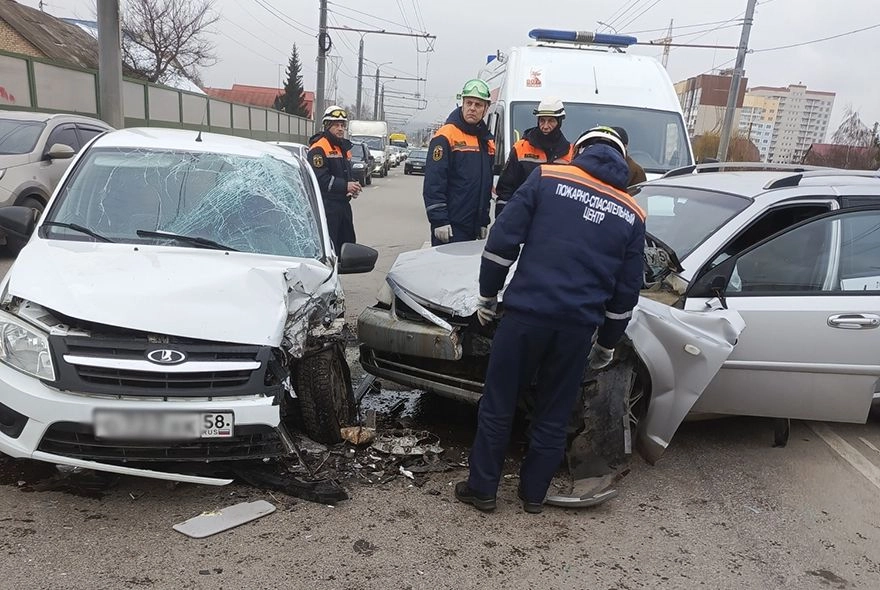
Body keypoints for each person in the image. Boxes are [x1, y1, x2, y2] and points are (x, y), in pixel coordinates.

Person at [454, 126, 646, 514]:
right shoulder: (632, 211)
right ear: (623, 159)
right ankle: (533, 495)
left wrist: (488, 295)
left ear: (579, 149)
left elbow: (502, 242)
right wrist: (607, 342)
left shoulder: (547, 177)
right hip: (576, 329)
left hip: (525, 317)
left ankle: (483, 490)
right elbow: (626, 292)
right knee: (554, 411)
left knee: (499, 402)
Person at [423, 79, 495, 246]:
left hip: (472, 226)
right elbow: (434, 181)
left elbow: (485, 185)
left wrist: (483, 220)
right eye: (469, 103)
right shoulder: (446, 136)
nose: (472, 108)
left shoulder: (486, 140)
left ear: (486, 109)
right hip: (450, 226)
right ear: (462, 104)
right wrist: (439, 220)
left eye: (478, 105)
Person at [494, 97, 572, 218]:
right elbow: (505, 190)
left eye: (551, 121)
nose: (545, 126)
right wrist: (503, 221)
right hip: (523, 217)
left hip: (555, 220)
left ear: (560, 121)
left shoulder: (570, 153)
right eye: (542, 120)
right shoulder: (521, 148)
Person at [308, 105, 362, 251]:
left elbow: (344, 174)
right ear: (327, 126)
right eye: (336, 125)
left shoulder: (342, 147)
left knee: (347, 247)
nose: (340, 129)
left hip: (343, 206)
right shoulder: (319, 148)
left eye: (342, 125)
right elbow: (320, 179)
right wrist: (345, 186)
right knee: (331, 248)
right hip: (327, 208)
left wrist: (353, 186)